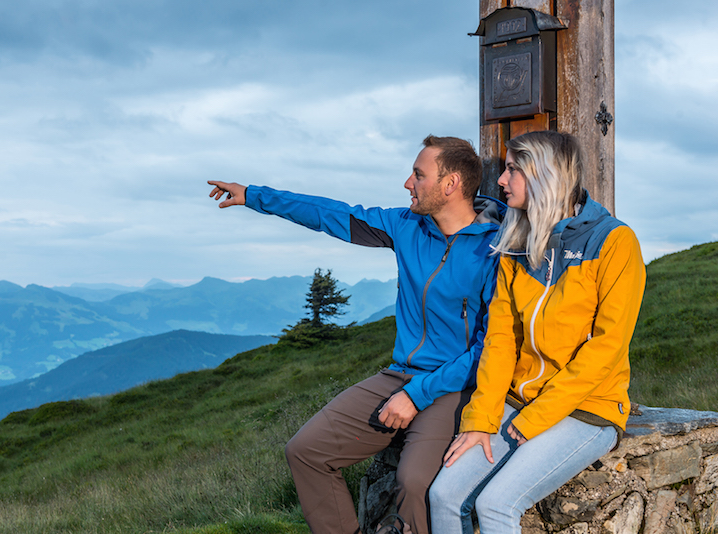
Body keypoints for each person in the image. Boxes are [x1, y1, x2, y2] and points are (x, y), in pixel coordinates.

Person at [208, 135, 505, 534]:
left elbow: (491, 346)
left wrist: (416, 396)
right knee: (306, 451)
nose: (407, 183)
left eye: (418, 175)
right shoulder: (407, 226)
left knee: (414, 482)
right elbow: (331, 214)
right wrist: (253, 195)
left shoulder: (496, 250)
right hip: (399, 374)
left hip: (455, 387)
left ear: (450, 184)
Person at [429, 130, 646, 534]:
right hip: (518, 400)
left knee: (496, 504)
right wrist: (480, 418)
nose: (501, 180)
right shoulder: (516, 242)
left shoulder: (615, 242)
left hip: (587, 407)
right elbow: (500, 341)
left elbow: (607, 348)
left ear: (545, 175)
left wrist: (534, 420)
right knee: (442, 496)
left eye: (513, 169)